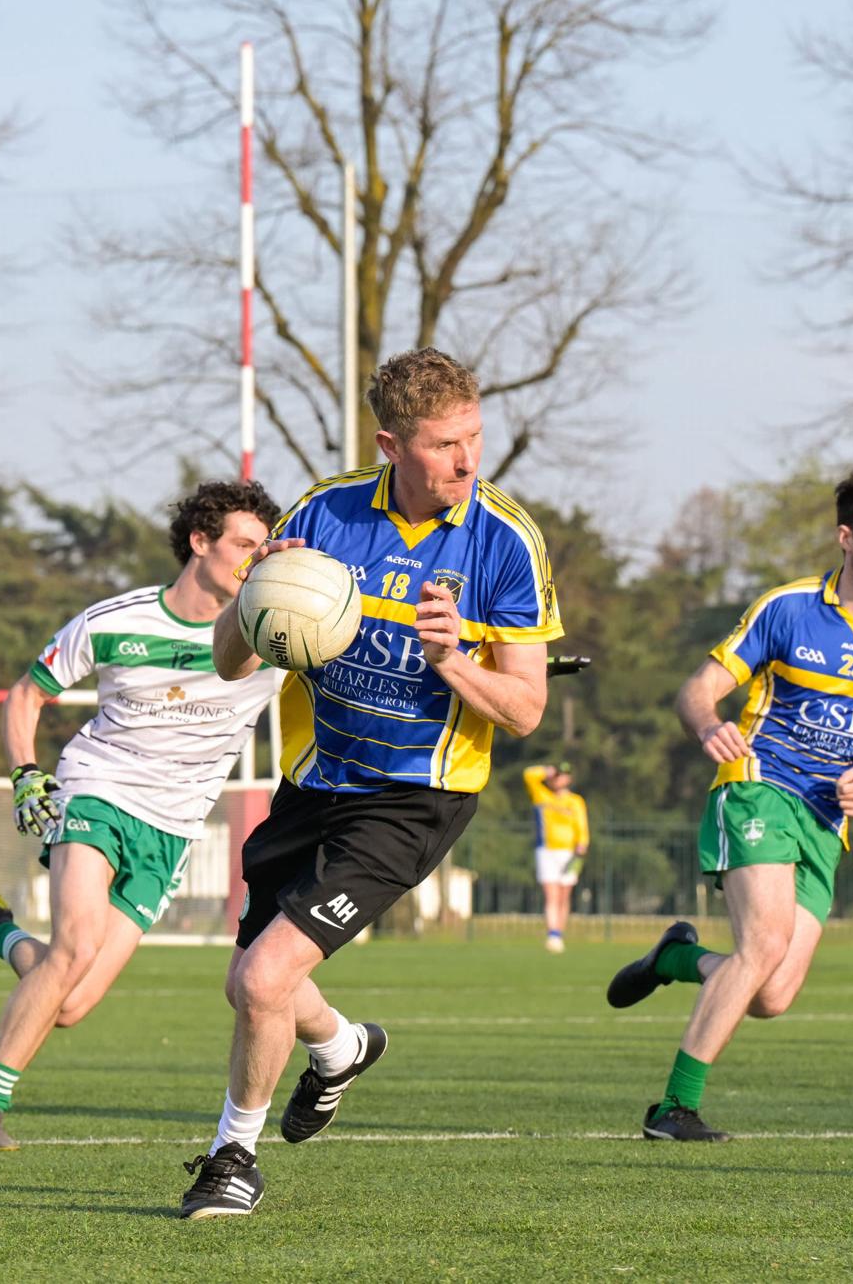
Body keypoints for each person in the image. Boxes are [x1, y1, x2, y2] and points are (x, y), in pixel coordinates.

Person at [179, 347, 562, 1219]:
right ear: (392, 444)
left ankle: (231, 1156)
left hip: (415, 796)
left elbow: (528, 708)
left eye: (474, 437)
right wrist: (259, 600)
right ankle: (342, 1044)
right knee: (250, 980)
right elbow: (228, 660)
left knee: (265, 976)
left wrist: (454, 659)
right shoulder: (324, 513)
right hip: (318, 780)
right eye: (443, 444)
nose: (466, 460)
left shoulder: (505, 542)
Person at [0, 481, 285, 1150]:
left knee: (68, 1003)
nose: (254, 558)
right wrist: (23, 773)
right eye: (244, 543)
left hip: (173, 828)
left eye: (263, 548)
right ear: (200, 540)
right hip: (97, 791)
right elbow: (26, 694)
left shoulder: (271, 631)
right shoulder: (113, 620)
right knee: (74, 947)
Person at [607, 471, 853, 1141]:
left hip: (828, 818)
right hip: (758, 782)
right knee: (761, 943)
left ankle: (676, 958)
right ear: (847, 537)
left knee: (771, 993)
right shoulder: (786, 609)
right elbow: (698, 690)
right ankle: (673, 1107)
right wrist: (708, 726)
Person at [524, 762, 589, 952]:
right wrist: (547, 771)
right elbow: (528, 775)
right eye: (557, 775)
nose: (559, 778)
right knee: (551, 894)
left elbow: (581, 825)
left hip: (569, 852)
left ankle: (559, 932)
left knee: (563, 894)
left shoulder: (575, 801)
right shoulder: (541, 795)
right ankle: (552, 934)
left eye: (563, 775)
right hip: (546, 850)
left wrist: (583, 843)